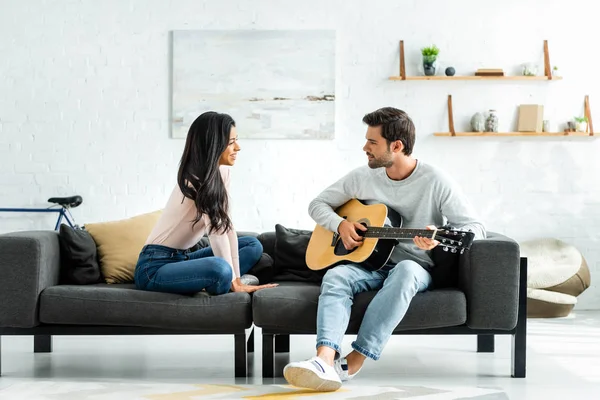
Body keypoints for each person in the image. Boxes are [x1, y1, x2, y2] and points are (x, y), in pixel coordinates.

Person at [283, 107, 486, 391]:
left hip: (415, 267)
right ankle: (324, 360)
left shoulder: (436, 181)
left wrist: (438, 239)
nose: (364, 147)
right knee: (337, 276)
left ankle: (355, 359)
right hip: (370, 265)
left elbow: (474, 227)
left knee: (404, 270)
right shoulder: (363, 176)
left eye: (372, 142)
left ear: (397, 146)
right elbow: (317, 205)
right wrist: (340, 224)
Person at [134, 111, 278, 295]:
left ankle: (218, 280)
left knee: (252, 245)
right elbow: (216, 232)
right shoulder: (196, 179)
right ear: (214, 145)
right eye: (231, 142)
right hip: (154, 267)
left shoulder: (222, 173)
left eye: (236, 140)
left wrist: (237, 279)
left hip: (182, 259)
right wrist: (234, 280)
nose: (238, 147)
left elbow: (227, 227)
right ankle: (220, 280)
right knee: (221, 267)